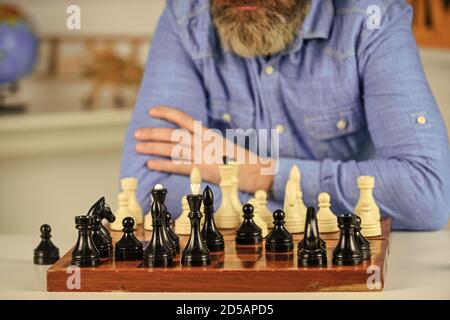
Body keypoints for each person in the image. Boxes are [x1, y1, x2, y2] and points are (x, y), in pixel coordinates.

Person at [121, 0, 450, 230]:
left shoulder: (373, 18)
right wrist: (286, 220)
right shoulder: (183, 18)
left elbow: (425, 195)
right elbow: (150, 186)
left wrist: (259, 174)